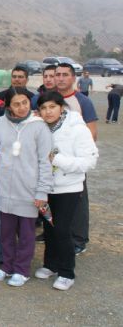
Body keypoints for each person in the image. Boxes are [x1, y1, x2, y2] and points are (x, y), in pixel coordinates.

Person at [0, 87, 53, 287]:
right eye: (16, 104)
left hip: (29, 189)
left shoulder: (39, 126)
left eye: (25, 102)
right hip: (5, 188)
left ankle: (22, 269)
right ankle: (7, 266)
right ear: (8, 106)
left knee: (26, 234)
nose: (22, 107)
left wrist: (42, 191)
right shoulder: (0, 123)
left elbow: (46, 161)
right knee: (6, 232)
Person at [35, 91, 98, 291]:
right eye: (43, 108)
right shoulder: (40, 127)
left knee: (62, 229)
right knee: (49, 229)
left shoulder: (76, 128)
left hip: (68, 188)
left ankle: (66, 272)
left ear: (61, 107)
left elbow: (89, 161)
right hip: (46, 187)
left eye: (52, 107)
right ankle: (51, 264)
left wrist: (57, 159)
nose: (48, 112)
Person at [54, 63, 98, 254]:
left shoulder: (82, 101)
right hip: (52, 164)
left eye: (65, 75)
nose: (60, 78)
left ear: (73, 78)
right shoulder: (48, 99)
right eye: (57, 75)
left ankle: (79, 238)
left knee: (78, 201)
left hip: (74, 162)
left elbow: (92, 133)